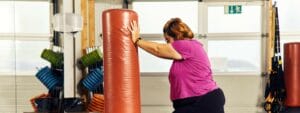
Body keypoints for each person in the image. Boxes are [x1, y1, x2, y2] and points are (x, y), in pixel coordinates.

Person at [128, 18, 225, 113]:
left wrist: (137, 40)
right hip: (193, 102)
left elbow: (157, 49)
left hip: (203, 100)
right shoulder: (185, 53)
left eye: (167, 40)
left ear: (176, 35)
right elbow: (161, 52)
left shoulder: (186, 45)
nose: (167, 44)